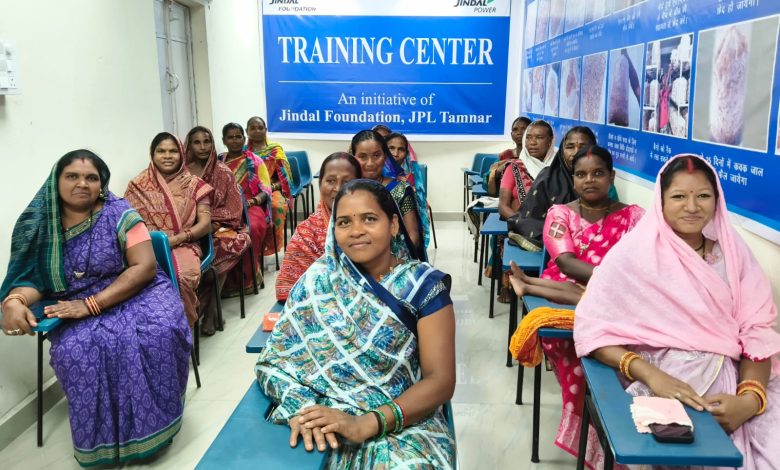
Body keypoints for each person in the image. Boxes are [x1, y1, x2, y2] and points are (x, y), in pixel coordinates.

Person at [575, 154, 780, 469]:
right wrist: (653, 376)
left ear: (717, 200)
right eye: (679, 197)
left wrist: (750, 401)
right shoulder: (632, 255)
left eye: (703, 196)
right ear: (661, 201)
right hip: (669, 382)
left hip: (739, 382)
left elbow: (758, 332)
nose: (692, 207)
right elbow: (592, 330)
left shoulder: (733, 253)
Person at [1, 150, 191, 467]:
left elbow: (144, 267)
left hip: (138, 291)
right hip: (73, 298)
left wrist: (91, 305)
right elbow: (34, 279)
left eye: (91, 178)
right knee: (75, 350)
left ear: (101, 184)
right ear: (55, 181)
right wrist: (15, 300)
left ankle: (155, 431)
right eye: (72, 176)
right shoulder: (40, 225)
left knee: (158, 332)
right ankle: (103, 445)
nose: (82, 184)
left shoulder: (120, 213)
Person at [256, 179, 456, 468]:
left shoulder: (422, 286)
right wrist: (306, 410)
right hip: (327, 416)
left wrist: (366, 423)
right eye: (344, 222)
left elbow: (440, 381)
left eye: (369, 219)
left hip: (403, 421)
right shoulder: (317, 281)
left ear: (393, 225)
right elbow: (275, 362)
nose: (356, 230)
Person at [509, 145, 644, 464]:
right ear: (573, 180)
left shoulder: (634, 217)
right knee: (585, 337)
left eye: (598, 173)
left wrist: (611, 285)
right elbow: (566, 262)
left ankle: (617, 433)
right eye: (581, 174)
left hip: (619, 294)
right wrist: (608, 282)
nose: (589, 180)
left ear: (611, 176)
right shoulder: (561, 213)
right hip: (575, 285)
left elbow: (641, 264)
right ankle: (595, 440)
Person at [125, 132, 213, 327]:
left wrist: (177, 239)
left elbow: (205, 224)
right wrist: (154, 244)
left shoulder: (194, 184)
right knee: (137, 281)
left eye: (173, 151)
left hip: (184, 244)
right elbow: (129, 224)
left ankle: (184, 329)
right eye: (161, 151)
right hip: (147, 247)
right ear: (152, 154)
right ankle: (156, 330)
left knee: (182, 278)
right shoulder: (137, 185)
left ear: (181, 154)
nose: (167, 156)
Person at [185, 125, 250, 335]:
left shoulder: (223, 172)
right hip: (187, 228)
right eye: (197, 142)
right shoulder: (182, 171)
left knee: (221, 246)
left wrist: (209, 221)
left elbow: (234, 209)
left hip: (222, 226)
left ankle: (211, 311)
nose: (202, 147)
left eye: (207, 142)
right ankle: (203, 311)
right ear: (189, 145)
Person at [275, 152, 361, 302]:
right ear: (320, 184)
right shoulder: (306, 234)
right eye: (331, 181)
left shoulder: (373, 225)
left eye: (347, 182)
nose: (338, 188)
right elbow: (288, 289)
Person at [507, 126, 597, 251]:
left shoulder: (600, 182)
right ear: (562, 150)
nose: (576, 152)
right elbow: (531, 218)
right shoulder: (547, 178)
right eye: (570, 147)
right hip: (549, 244)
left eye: (583, 147)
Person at [350, 130, 426, 260]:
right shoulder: (348, 191)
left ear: (385, 156)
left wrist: (392, 262)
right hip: (354, 259)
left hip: (393, 261)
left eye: (376, 155)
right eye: (362, 156)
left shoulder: (400, 189)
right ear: (353, 157)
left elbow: (413, 235)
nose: (370, 163)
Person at [219, 122, 272, 297]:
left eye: (238, 137)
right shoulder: (218, 162)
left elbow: (266, 190)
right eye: (230, 137)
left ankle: (249, 279)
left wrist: (252, 201)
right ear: (224, 140)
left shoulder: (255, 161)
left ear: (244, 138)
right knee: (221, 233)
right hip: (225, 208)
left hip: (251, 205)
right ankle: (225, 282)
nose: (235, 140)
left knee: (252, 228)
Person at [246, 116, 291, 256]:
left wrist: (269, 188)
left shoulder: (275, 151)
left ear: (265, 130)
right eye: (253, 128)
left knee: (276, 206)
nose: (257, 131)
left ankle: (271, 246)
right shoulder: (243, 152)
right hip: (250, 190)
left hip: (273, 188)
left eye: (260, 128)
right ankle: (251, 246)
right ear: (247, 131)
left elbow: (284, 180)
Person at [498, 120, 556, 220]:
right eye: (528, 138)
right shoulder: (514, 167)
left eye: (539, 137)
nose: (532, 142)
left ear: (550, 141)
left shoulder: (559, 168)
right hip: (521, 225)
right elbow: (503, 206)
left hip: (556, 225)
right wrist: (521, 223)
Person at [385, 131, 432, 249]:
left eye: (401, 149)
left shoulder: (407, 177)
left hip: (404, 228)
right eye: (391, 148)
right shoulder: (373, 175)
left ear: (406, 154)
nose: (395, 154)